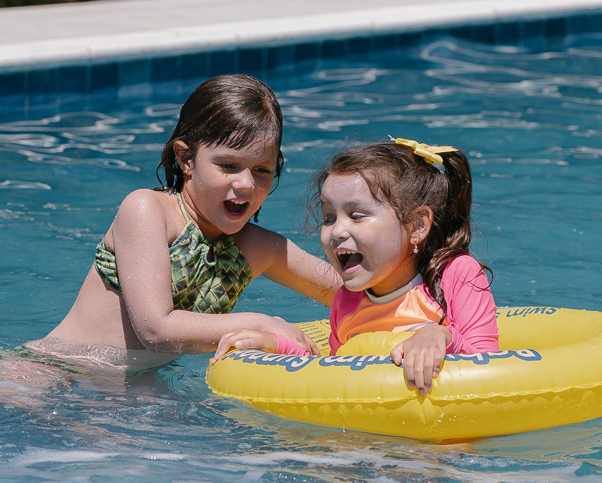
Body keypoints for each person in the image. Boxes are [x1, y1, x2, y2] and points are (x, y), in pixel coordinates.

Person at [0, 75, 341, 404]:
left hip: (134, 387)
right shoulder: (146, 211)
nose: (247, 184)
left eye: (262, 170)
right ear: (186, 158)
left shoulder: (260, 248)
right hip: (48, 373)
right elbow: (156, 329)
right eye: (228, 166)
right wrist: (263, 323)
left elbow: (348, 289)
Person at [212, 137, 499, 395]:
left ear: (416, 225)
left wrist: (440, 335)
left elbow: (491, 368)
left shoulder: (455, 276)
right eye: (328, 218)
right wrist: (274, 346)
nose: (336, 231)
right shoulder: (348, 301)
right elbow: (331, 370)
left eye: (357, 215)